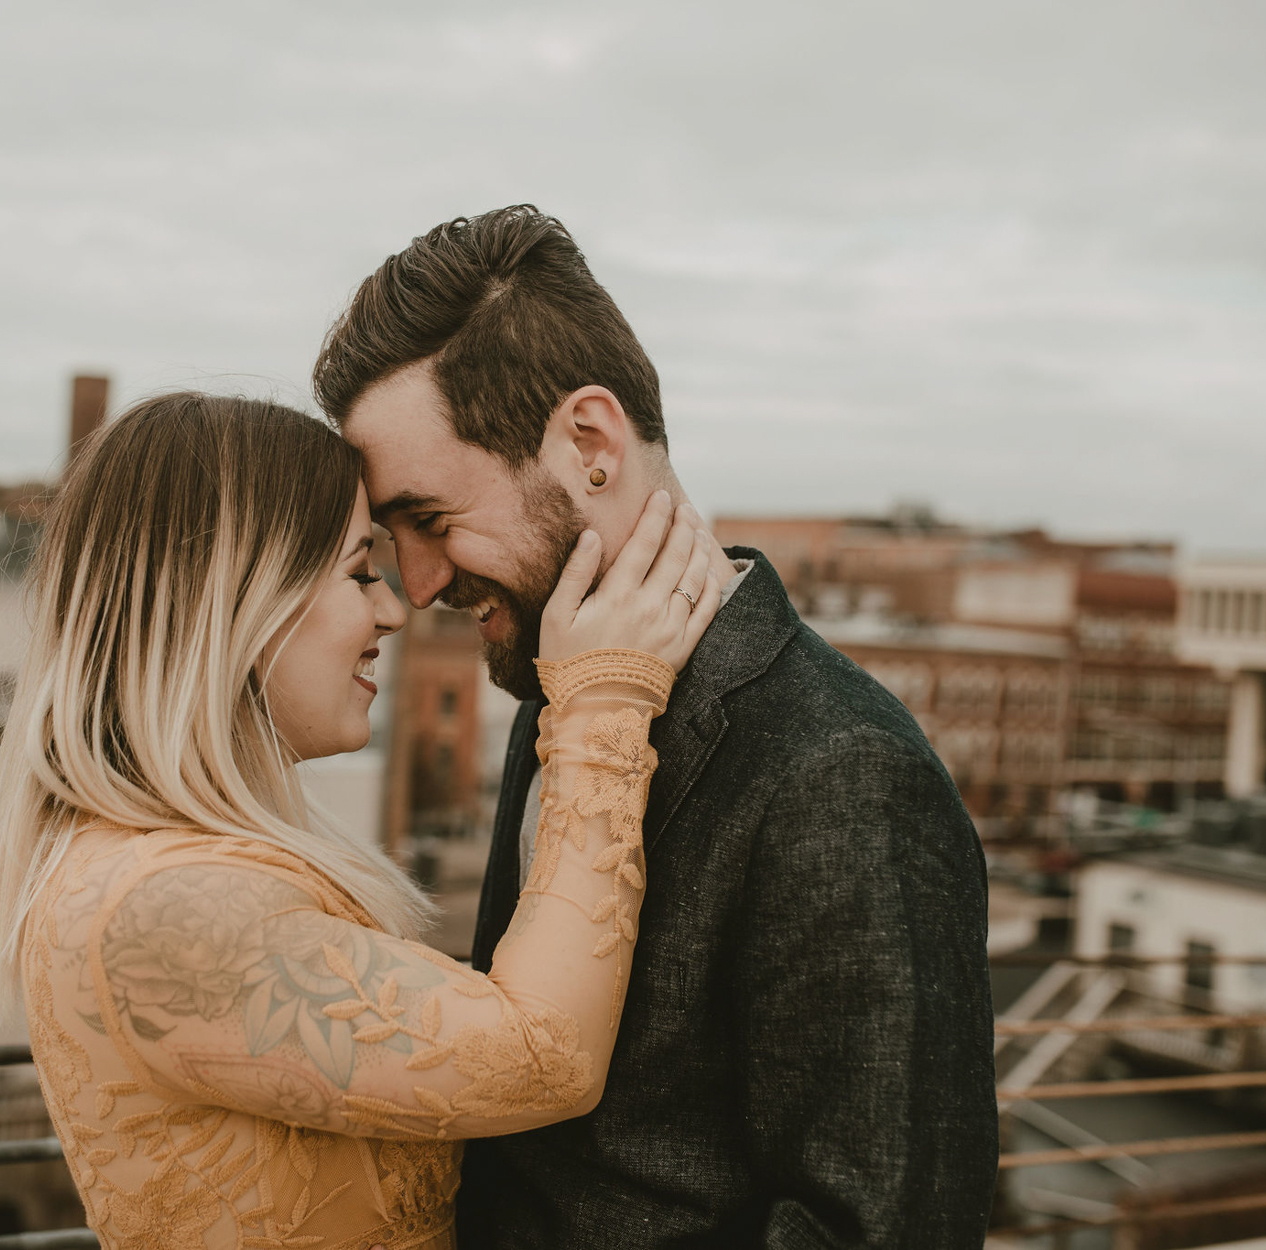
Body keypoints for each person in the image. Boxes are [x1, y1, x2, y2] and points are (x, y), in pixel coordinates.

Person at [311, 206, 999, 1247]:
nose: (415, 584)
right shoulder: (559, 686)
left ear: (591, 442)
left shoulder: (841, 771)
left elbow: (881, 1224)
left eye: (431, 519)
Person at [0, 392, 721, 1249]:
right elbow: (543, 1053)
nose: (394, 610)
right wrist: (605, 703)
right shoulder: (165, 906)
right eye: (358, 571)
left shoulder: (156, 867)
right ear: (231, 600)